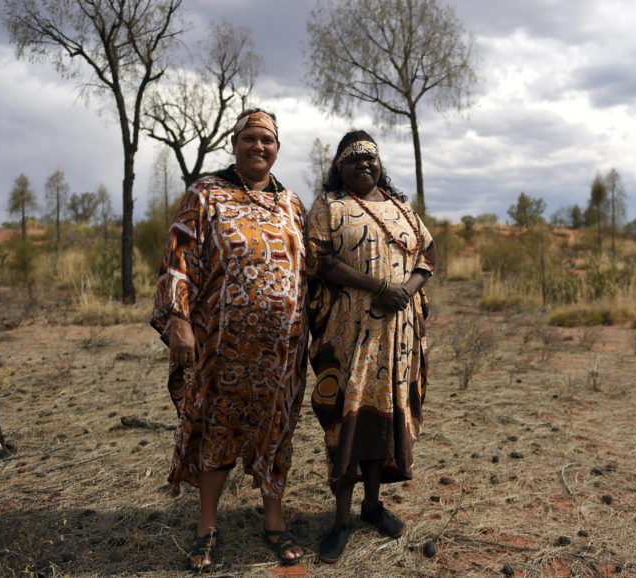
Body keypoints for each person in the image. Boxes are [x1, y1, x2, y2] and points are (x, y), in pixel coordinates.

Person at [151, 108, 308, 569]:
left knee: (276, 433)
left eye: (268, 140)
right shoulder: (205, 195)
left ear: (278, 148)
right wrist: (178, 319)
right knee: (217, 430)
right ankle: (206, 526)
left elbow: (314, 270)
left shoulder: (293, 205)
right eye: (251, 138)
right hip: (222, 348)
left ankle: (274, 523)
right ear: (235, 141)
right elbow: (177, 259)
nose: (259, 147)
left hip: (283, 353)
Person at [305, 130, 436, 563]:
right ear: (338, 168)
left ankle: (372, 506)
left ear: (380, 164)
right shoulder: (329, 206)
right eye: (352, 159)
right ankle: (341, 520)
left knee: (382, 421)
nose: (363, 164)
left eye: (370, 158)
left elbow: (427, 256)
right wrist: (378, 286)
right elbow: (320, 261)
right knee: (346, 422)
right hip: (348, 339)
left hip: (395, 341)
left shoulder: (400, 208)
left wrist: (405, 290)